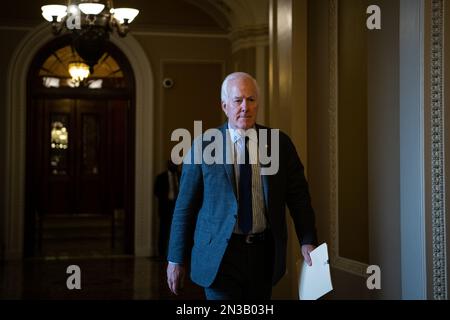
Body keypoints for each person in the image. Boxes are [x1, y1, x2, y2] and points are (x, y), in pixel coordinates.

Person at [167, 72, 318, 299]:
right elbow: (184, 207)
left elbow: (298, 197)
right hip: (219, 257)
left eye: (251, 99)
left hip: (263, 255)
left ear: (258, 104)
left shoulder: (279, 143)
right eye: (238, 100)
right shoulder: (203, 146)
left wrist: (308, 240)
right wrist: (175, 258)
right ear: (225, 105)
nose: (245, 107)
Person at [154, 160, 180, 258]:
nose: (174, 166)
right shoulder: (161, 177)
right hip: (165, 208)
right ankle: (161, 254)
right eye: (172, 164)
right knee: (163, 232)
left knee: (178, 232)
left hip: (177, 208)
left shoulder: (181, 175)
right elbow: (156, 192)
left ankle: (177, 255)